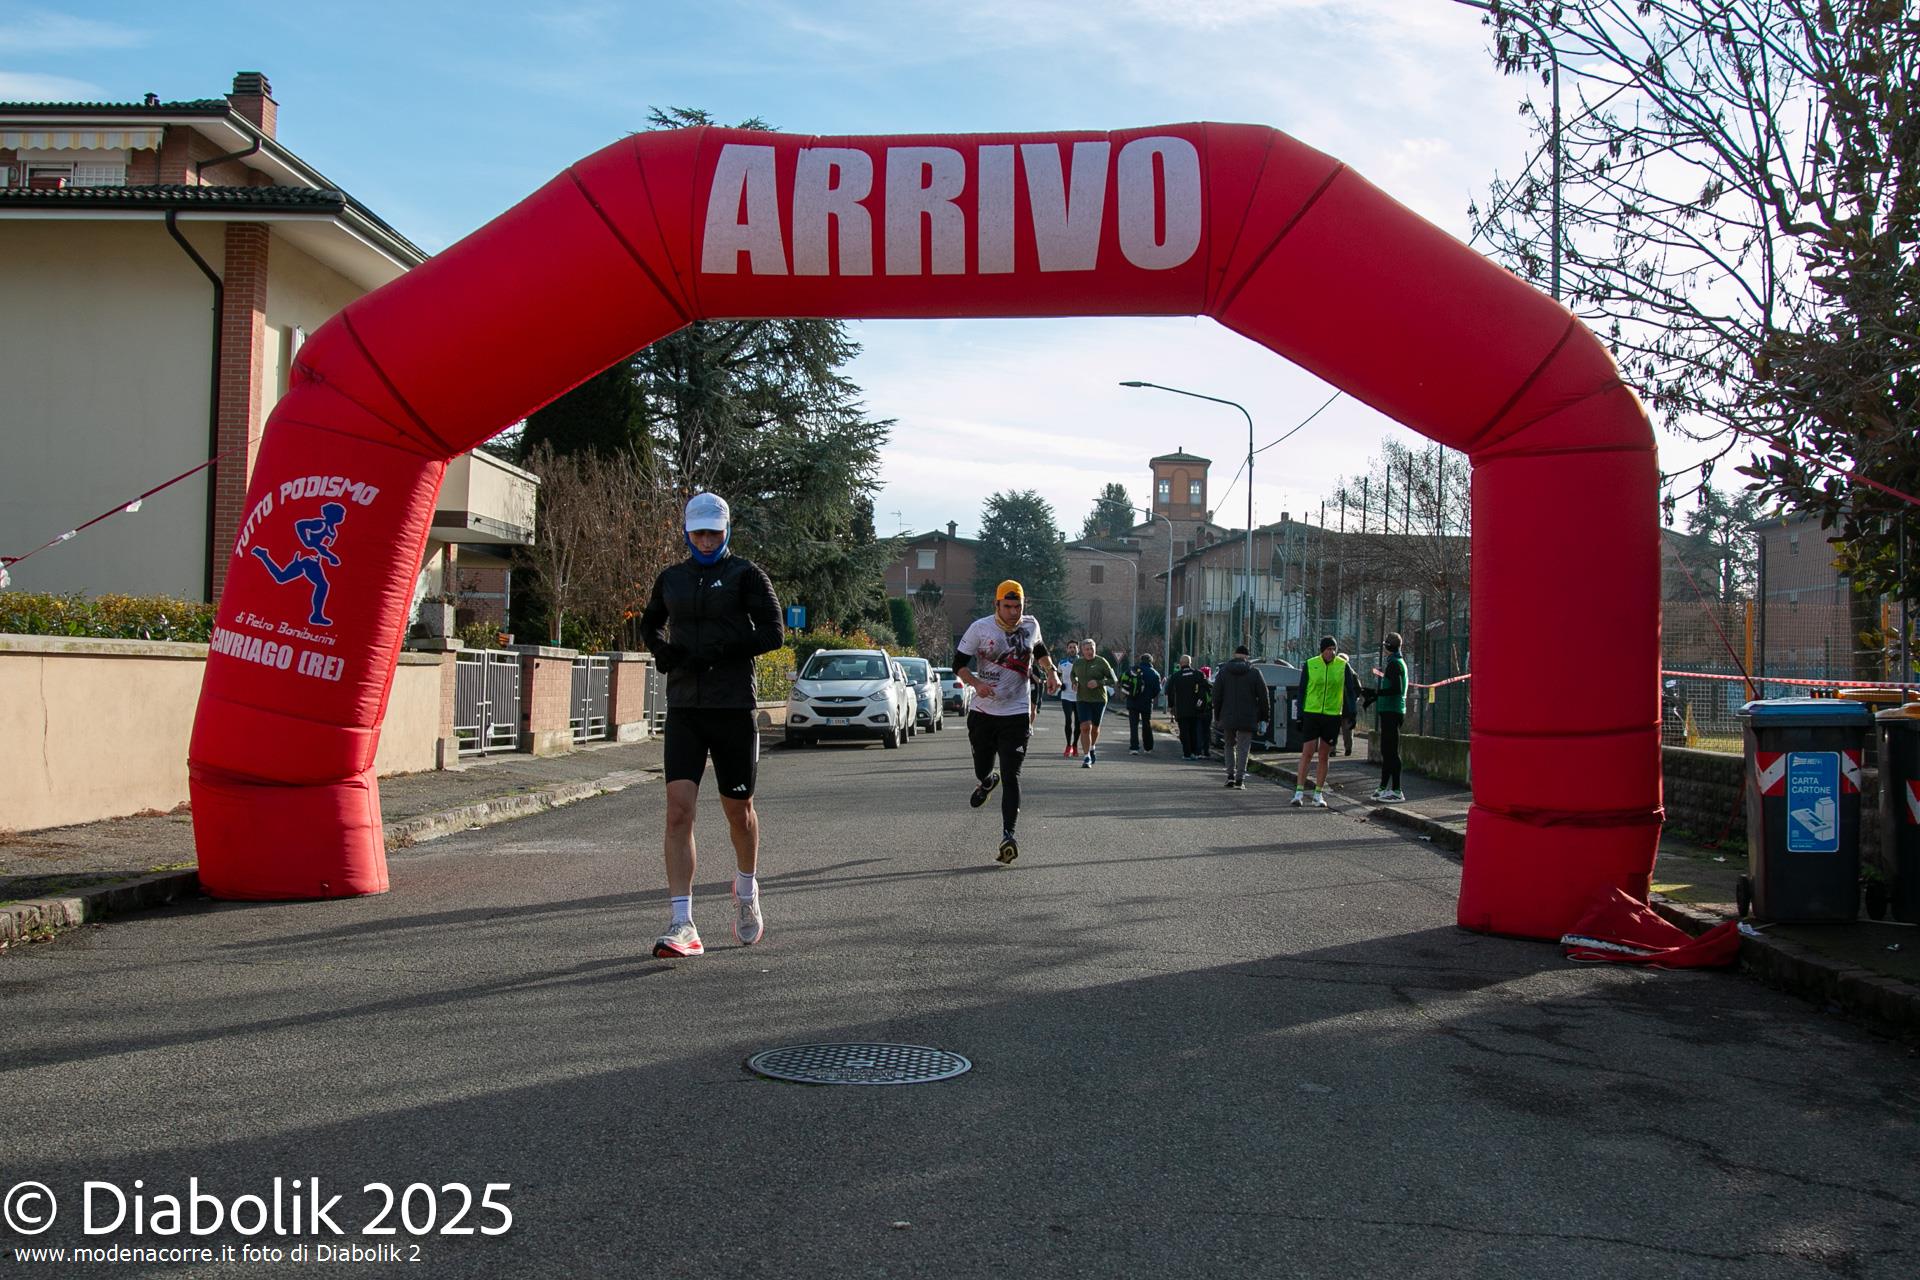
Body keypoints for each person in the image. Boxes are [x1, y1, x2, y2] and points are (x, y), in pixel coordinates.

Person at [638, 492, 785, 959]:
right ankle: (682, 922)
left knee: (739, 812)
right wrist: (661, 650)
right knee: (678, 812)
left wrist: (723, 649)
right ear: (687, 533)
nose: (705, 541)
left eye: (713, 534)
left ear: (726, 532)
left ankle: (746, 889)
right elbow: (649, 623)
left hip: (733, 707)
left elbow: (774, 632)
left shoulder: (746, 575)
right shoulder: (672, 578)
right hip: (685, 707)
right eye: (698, 533)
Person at [955, 581, 1058, 864]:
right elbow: (958, 664)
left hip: (1016, 712)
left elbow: (1039, 649)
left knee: (1012, 775)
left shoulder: (1031, 625)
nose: (1014, 612)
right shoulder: (980, 628)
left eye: (1018, 607)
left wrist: (1050, 672)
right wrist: (976, 683)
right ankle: (987, 781)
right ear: (997, 605)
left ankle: (1008, 836)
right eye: (1008, 607)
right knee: (983, 768)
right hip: (983, 712)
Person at [1291, 635, 1349, 808]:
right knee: (1308, 752)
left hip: (1332, 715)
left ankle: (1318, 793)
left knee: (1324, 754)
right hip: (1312, 713)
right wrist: (1299, 715)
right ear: (1322, 650)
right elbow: (1302, 690)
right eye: (1329, 649)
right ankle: (1299, 792)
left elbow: (1351, 689)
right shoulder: (1310, 664)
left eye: (1334, 649)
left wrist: (1350, 713)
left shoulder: (1342, 665)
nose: (1332, 652)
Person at [1212, 645, 1269, 788]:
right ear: (1247, 657)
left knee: (1229, 745)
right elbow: (1264, 696)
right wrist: (1264, 717)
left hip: (1228, 715)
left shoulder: (1223, 672)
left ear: (1234, 654)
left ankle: (1230, 775)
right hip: (1248, 716)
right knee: (1243, 747)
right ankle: (1240, 779)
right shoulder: (1255, 672)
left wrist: (1217, 715)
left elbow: (1216, 696)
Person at [1366, 632, 1409, 802]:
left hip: (1392, 710)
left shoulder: (1395, 664)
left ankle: (1397, 790)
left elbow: (1396, 689)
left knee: (1391, 752)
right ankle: (1383, 787)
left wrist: (1376, 693)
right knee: (1386, 751)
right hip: (1391, 710)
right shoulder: (1395, 662)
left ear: (1388, 647)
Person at [1071, 636, 1118, 767]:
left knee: (1095, 728)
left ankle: (1092, 748)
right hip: (1082, 699)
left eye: (1092, 649)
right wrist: (1074, 682)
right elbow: (1073, 674)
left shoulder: (1101, 662)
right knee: (1085, 727)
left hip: (1099, 699)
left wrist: (1099, 682)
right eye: (1087, 649)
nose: (1090, 651)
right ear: (1082, 650)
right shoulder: (1078, 662)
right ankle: (1086, 757)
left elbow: (1114, 679)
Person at [1166, 655, 1207, 759]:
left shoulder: (1175, 676)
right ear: (1190, 663)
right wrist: (1200, 705)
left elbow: (1170, 692)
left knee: (1184, 731)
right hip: (1195, 708)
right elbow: (1203, 692)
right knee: (1194, 731)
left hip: (1181, 709)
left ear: (1180, 664)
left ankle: (1187, 753)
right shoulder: (1198, 674)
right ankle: (1195, 752)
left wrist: (1171, 706)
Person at [1126, 653, 1161, 754]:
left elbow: (1124, 683)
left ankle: (1134, 747)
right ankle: (1148, 747)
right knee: (1146, 724)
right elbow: (1157, 690)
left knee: (1133, 725)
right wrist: (1150, 696)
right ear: (1151, 661)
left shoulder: (1133, 670)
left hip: (1132, 701)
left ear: (1141, 660)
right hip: (1146, 703)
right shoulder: (1154, 673)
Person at [1057, 640, 1081, 757]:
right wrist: (1060, 685)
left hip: (1079, 697)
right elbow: (1057, 677)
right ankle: (1068, 745)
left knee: (1078, 722)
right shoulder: (1062, 663)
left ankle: (1075, 745)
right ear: (1067, 649)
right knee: (1068, 720)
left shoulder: (1083, 662)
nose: (1072, 649)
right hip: (1066, 696)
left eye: (1074, 647)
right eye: (1070, 647)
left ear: (1078, 649)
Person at [1340, 656, 1364, 756]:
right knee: (1347, 729)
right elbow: (1358, 689)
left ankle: (1332, 749)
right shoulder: (1353, 674)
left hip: (1339, 704)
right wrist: (1354, 699)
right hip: (1347, 705)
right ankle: (1348, 748)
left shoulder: (1336, 672)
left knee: (1335, 728)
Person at [1197, 665, 1215, 758]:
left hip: (1199, 711)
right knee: (1207, 731)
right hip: (1208, 711)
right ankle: (1206, 750)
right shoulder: (1211, 686)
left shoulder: (1198, 685)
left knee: (1199, 731)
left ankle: (1199, 750)